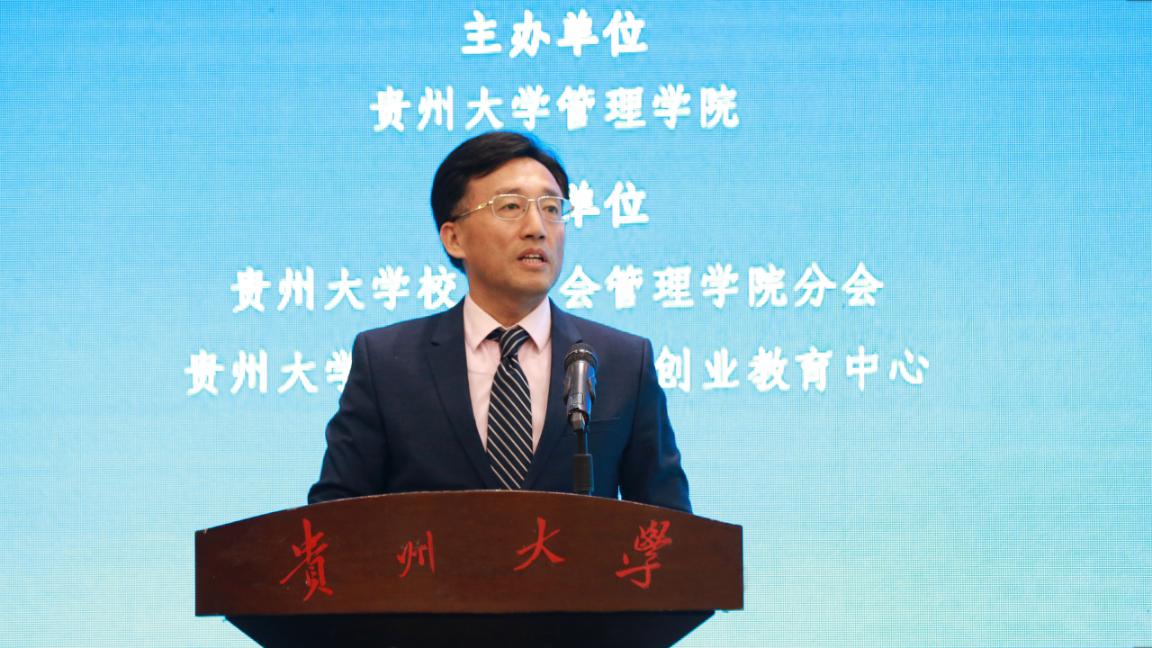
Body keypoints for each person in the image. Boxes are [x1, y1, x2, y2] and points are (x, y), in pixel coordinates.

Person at [307, 131, 691, 512]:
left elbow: (671, 524)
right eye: (510, 206)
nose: (537, 227)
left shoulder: (623, 362)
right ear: (454, 238)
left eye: (552, 208)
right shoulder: (387, 363)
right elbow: (333, 516)